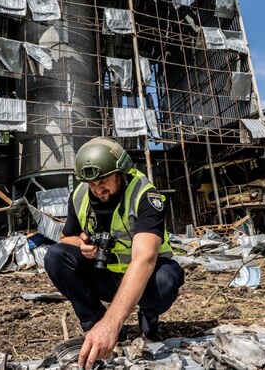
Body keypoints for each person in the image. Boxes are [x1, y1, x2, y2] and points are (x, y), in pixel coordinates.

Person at [44, 137, 184, 369]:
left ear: (120, 174)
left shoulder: (144, 195)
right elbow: (65, 238)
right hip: (107, 276)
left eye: (104, 181)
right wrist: (82, 245)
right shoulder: (79, 196)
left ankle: (148, 320)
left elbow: (145, 259)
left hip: (145, 279)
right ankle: (95, 324)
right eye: (91, 184)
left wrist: (113, 321)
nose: (98, 190)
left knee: (165, 280)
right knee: (56, 256)